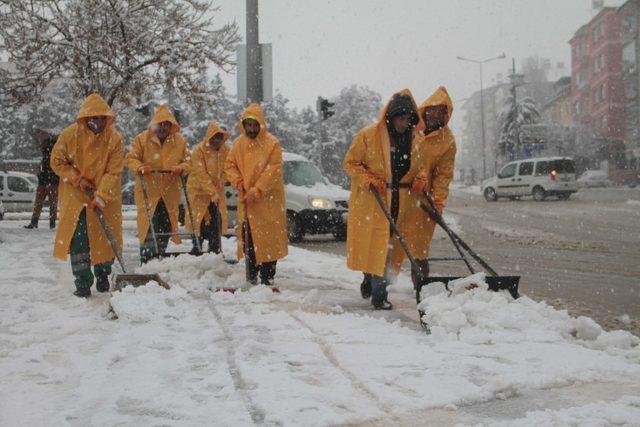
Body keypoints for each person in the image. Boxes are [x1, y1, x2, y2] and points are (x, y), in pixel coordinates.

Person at [343, 89, 425, 310]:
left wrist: (420, 179)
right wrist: (369, 180)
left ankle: (374, 283)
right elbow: (350, 163)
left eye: (409, 119)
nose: (404, 123)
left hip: (401, 200)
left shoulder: (415, 140)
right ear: (391, 116)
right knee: (377, 245)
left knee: (391, 249)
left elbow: (420, 167)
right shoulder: (368, 135)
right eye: (401, 117)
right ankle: (378, 294)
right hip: (374, 199)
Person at [50, 94, 124, 297]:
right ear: (86, 117)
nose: (99, 122)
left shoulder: (115, 139)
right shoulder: (69, 135)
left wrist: (101, 195)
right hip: (76, 195)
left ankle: (103, 274)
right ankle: (82, 283)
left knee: (104, 237)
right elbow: (57, 162)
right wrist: (77, 179)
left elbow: (114, 171)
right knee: (79, 239)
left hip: (105, 194)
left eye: (103, 118)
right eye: (94, 118)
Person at [394, 86, 457, 290]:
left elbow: (443, 175)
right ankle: (377, 284)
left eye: (441, 111)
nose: (435, 114)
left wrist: (438, 201)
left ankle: (421, 287)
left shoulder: (447, 141)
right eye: (432, 109)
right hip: (397, 193)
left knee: (419, 248)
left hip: (422, 200)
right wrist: (409, 175)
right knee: (389, 245)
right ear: (425, 109)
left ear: (446, 114)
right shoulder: (410, 126)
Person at [225, 103, 288, 287]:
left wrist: (258, 189)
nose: (251, 129)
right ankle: (251, 275)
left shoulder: (272, 143)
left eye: (255, 125)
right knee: (250, 240)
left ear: (261, 124)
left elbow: (273, 170)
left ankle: (267, 277)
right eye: (248, 125)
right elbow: (229, 165)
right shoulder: (238, 144)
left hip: (268, 202)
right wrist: (237, 181)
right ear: (243, 125)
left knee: (268, 240)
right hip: (247, 201)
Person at [125, 104, 190, 264]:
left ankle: (159, 255)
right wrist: (140, 167)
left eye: (166, 124)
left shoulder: (180, 142)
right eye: (160, 124)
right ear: (154, 124)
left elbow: (189, 161)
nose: (163, 127)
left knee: (166, 226)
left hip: (169, 192)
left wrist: (181, 168)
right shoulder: (141, 140)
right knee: (148, 225)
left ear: (171, 126)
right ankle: (147, 259)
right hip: (148, 191)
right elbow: (130, 158)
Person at [186, 120, 230, 254]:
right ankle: (196, 247)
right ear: (209, 137)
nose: (216, 141)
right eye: (214, 137)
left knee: (216, 220)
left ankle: (214, 248)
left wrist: (222, 180)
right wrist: (212, 192)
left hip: (216, 191)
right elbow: (201, 174)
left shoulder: (226, 150)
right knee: (198, 220)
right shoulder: (199, 150)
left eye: (219, 138)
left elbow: (228, 168)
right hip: (198, 191)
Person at [25, 129, 59, 229]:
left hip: (52, 179)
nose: (38, 138)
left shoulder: (54, 143)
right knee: (39, 202)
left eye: (40, 134)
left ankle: (51, 223)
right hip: (44, 178)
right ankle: (35, 222)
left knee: (52, 203)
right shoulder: (45, 145)